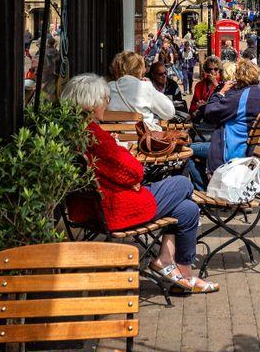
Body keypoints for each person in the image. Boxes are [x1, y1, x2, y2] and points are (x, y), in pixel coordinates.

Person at [61, 74, 218, 294]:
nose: (106, 103)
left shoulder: (72, 132)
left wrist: (130, 178)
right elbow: (134, 171)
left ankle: (177, 270)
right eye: (104, 99)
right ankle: (173, 267)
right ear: (92, 103)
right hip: (117, 209)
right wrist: (131, 177)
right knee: (183, 184)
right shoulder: (95, 135)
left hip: (96, 207)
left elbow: (119, 173)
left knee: (188, 209)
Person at [204, 59, 260, 176]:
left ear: (239, 77)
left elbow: (210, 112)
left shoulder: (240, 97)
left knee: (190, 151)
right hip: (252, 152)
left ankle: (206, 190)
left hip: (232, 154)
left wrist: (221, 92)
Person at [106, 51, 175, 131]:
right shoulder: (145, 87)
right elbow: (169, 113)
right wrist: (151, 87)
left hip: (114, 139)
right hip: (142, 140)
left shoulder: (107, 88)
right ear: (139, 69)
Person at [189, 56, 223, 121]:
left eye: (215, 69)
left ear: (219, 70)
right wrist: (198, 105)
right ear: (206, 70)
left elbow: (225, 102)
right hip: (201, 118)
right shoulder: (199, 85)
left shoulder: (223, 84)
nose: (213, 72)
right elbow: (193, 105)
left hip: (215, 119)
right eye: (210, 69)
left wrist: (216, 84)